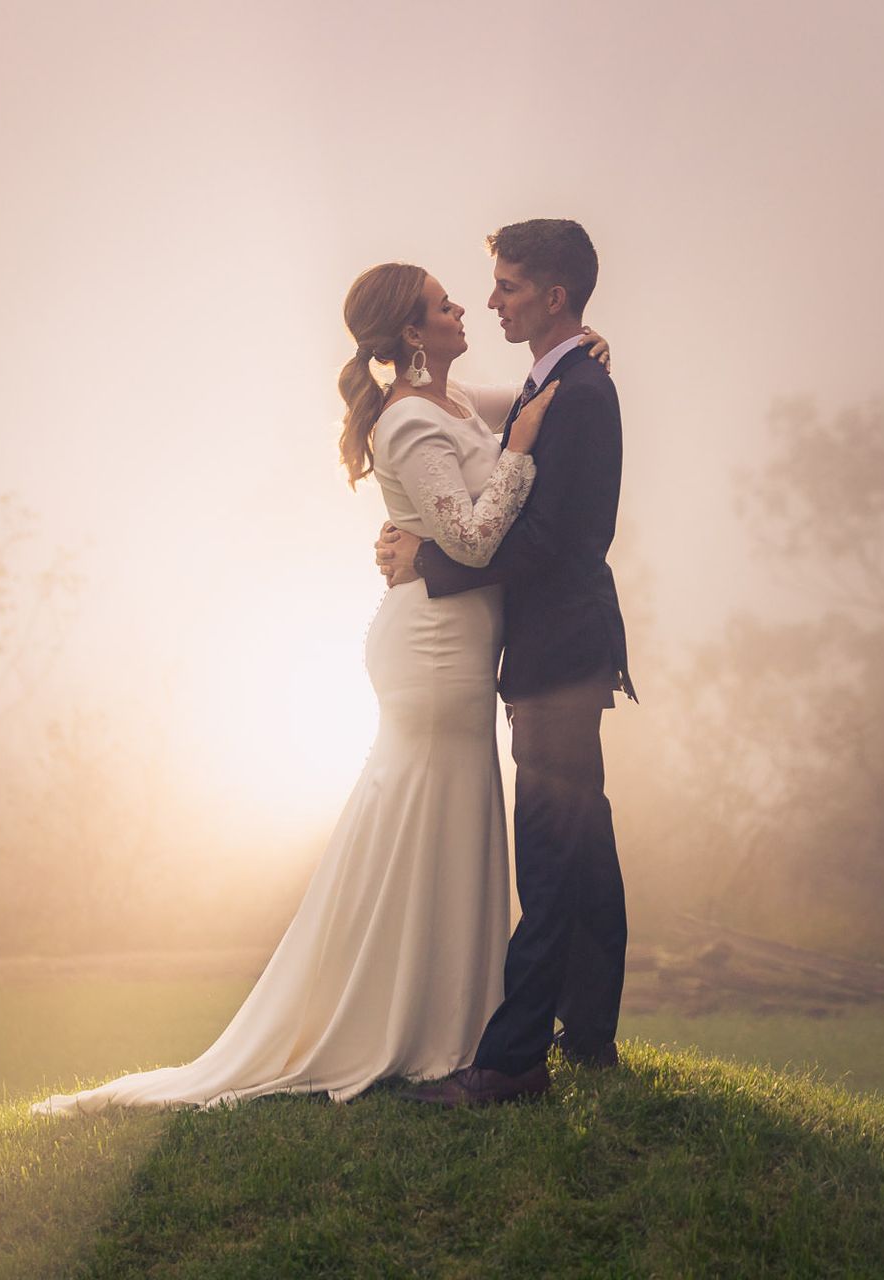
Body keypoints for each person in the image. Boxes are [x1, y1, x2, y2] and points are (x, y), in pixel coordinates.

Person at [29, 259, 600, 1116]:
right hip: (435, 653)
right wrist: (517, 453)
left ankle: (455, 1016)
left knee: (453, 815)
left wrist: (580, 347)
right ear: (413, 332)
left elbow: (524, 393)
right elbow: (477, 540)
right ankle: (407, 1021)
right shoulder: (408, 420)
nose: (462, 308)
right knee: (429, 811)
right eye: (445, 304)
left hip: (458, 646)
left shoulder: (448, 402)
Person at [374, 218, 633, 1108]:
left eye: (509, 286)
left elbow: (556, 540)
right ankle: (589, 1034)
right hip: (554, 654)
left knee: (552, 857)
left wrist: (432, 563)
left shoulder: (581, 394)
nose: (490, 301)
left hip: (558, 655)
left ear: (553, 296)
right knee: (583, 847)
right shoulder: (550, 380)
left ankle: (514, 1060)